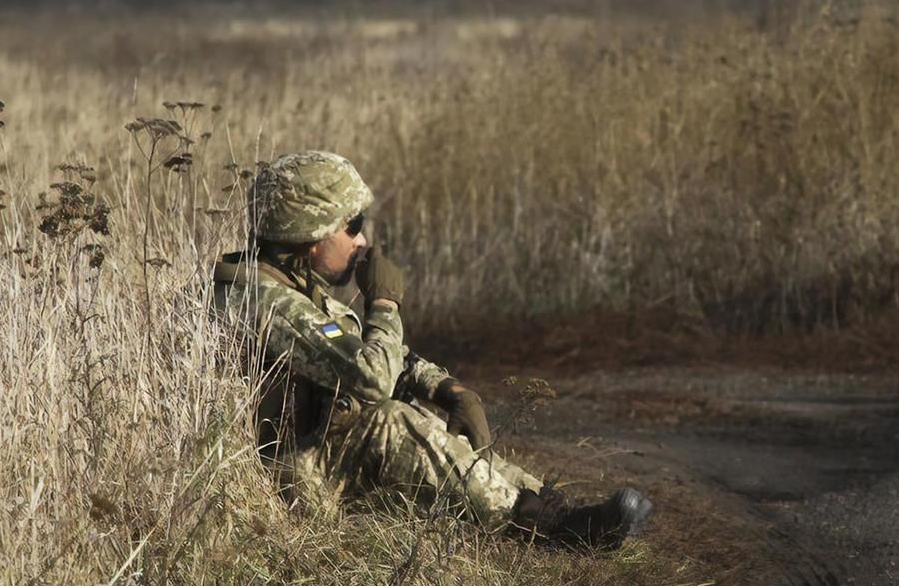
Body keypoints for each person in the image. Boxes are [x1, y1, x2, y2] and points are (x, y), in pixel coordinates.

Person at [211, 151, 652, 548]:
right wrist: (384, 303)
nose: (362, 240)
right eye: (353, 226)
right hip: (283, 481)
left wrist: (447, 389)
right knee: (389, 419)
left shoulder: (296, 288)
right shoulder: (261, 302)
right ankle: (543, 526)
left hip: (314, 455)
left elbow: (371, 353)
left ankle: (552, 507)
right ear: (312, 235)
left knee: (418, 412)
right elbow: (370, 378)